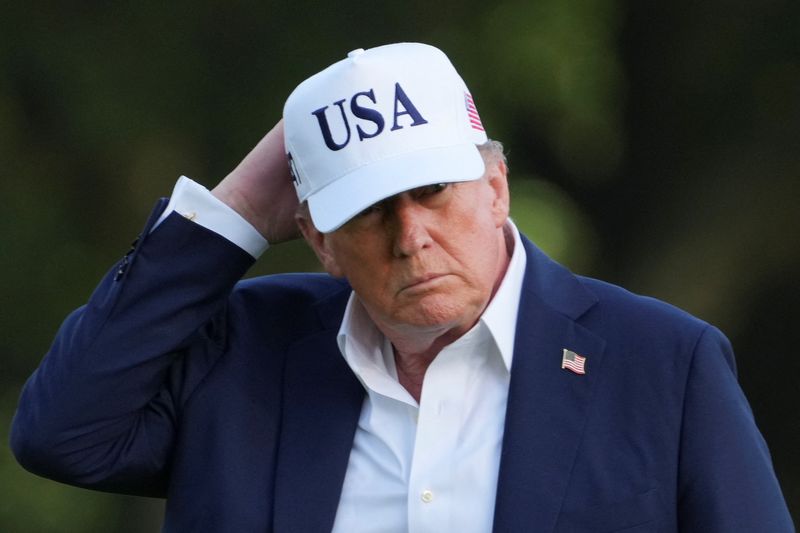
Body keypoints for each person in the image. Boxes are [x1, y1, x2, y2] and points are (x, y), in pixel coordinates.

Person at [10, 43, 794, 532]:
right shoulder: (245, 351)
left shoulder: (662, 362)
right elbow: (63, 433)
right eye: (372, 210)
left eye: (435, 192)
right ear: (318, 237)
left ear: (496, 187)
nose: (412, 236)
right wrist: (235, 211)